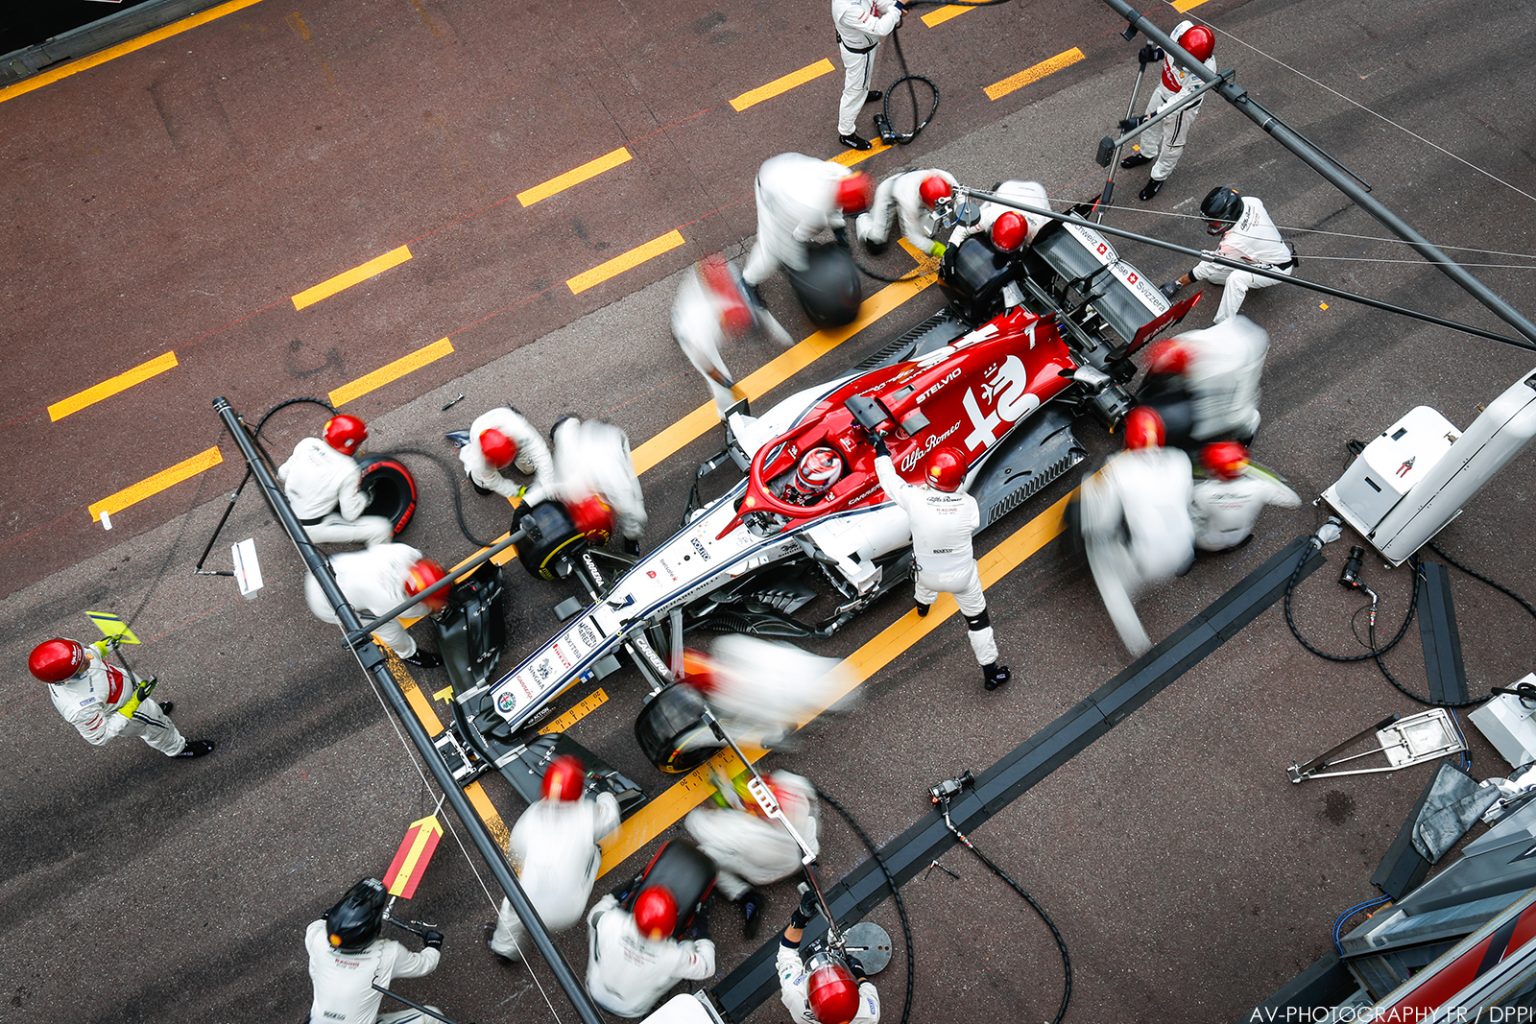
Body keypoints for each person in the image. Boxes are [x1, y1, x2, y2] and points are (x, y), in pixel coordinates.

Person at [872, 441, 1010, 690]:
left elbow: (889, 480)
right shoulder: (968, 506)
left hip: (927, 573)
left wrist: (881, 451)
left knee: (923, 582)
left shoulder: (914, 499)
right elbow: (971, 523)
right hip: (962, 579)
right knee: (978, 622)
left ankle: (922, 607)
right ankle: (991, 674)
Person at [1077, 408, 1195, 656]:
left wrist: (1091, 516)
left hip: (1147, 561)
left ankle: (1136, 640)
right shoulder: (1179, 459)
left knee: (1101, 550)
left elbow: (1104, 521)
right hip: (1184, 549)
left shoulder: (1120, 469)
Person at [487, 755, 621, 961]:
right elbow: (611, 819)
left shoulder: (530, 818)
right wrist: (605, 795)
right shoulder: (587, 815)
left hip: (528, 905)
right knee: (593, 853)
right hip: (568, 911)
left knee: (510, 905)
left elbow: (517, 852)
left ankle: (505, 949)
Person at [684, 770, 819, 938]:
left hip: (765, 871)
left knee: (705, 855)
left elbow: (695, 821)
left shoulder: (745, 831)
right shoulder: (792, 788)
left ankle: (746, 896)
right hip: (799, 855)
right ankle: (810, 865)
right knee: (810, 821)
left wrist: (724, 800)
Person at [29, 637, 214, 759]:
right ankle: (178, 749)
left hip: (127, 695)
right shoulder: (79, 708)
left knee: (154, 716)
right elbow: (100, 737)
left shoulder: (69, 656)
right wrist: (135, 703)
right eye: (81, 664)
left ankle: (153, 715)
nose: (88, 658)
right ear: (66, 678)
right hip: (130, 713)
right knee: (158, 728)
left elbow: (89, 654)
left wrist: (102, 646)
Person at [304, 877, 445, 1024]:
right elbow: (424, 965)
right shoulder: (388, 954)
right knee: (433, 1016)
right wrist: (433, 945)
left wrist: (336, 915)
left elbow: (324, 919)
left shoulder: (316, 936)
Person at [671, 256, 794, 416]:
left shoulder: (733, 298)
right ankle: (726, 414)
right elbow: (710, 369)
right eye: (737, 331)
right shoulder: (698, 334)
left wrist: (783, 337)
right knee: (721, 383)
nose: (739, 335)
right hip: (686, 332)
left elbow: (758, 312)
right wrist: (727, 383)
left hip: (699, 297)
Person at [742, 154, 873, 301]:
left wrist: (839, 231)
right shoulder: (813, 212)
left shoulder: (844, 175)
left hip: (788, 169)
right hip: (770, 189)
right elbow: (794, 239)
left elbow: (834, 206)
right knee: (773, 251)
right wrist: (800, 266)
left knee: (813, 221)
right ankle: (747, 282)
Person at [679, 635, 850, 747]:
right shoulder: (732, 650)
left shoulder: (747, 703)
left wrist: (696, 740)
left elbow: (738, 731)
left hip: (763, 697)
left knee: (769, 726)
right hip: (762, 689)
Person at [304, 544, 448, 668]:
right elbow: (418, 610)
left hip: (329, 569)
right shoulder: (391, 599)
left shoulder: (404, 552)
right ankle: (409, 653)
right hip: (326, 603)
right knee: (388, 627)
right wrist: (436, 607)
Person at [1161, 187, 1295, 321]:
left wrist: (1177, 283)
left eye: (1214, 222)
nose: (1212, 226)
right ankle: (1246, 263)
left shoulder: (1234, 243)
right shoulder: (1251, 201)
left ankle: (1223, 324)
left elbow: (1209, 265)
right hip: (1255, 253)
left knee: (1236, 279)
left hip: (1277, 267)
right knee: (1213, 277)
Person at [1118, 21, 1217, 201]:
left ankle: (1158, 177)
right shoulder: (1181, 29)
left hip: (1181, 109)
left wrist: (1142, 120)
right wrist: (1155, 54)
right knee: (1149, 128)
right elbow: (1165, 46)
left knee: (1171, 147)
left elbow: (1175, 105)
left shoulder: (1203, 75)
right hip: (1163, 88)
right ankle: (1147, 153)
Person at [585, 884, 716, 1018]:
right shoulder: (672, 957)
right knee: (689, 948)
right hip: (632, 1009)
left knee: (597, 924)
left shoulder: (613, 923)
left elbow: (594, 915)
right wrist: (702, 930)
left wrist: (625, 888)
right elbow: (707, 967)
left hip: (595, 989)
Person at [1140, 316, 1270, 444]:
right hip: (1231, 333)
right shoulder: (1181, 342)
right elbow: (1157, 370)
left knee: (1236, 414)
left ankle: (1249, 429)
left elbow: (1206, 411)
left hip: (1248, 355)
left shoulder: (1210, 374)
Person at [279, 414, 394, 548]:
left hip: (285, 513)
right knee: (382, 528)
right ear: (350, 444)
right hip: (310, 529)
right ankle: (380, 563)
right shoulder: (348, 469)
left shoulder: (308, 443)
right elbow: (350, 514)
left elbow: (282, 474)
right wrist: (366, 495)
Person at [777, 890, 880, 1024]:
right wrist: (858, 972)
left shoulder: (794, 992)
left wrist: (800, 917)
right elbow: (867, 988)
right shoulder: (869, 1015)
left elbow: (786, 952)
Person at [550, 416, 647, 554]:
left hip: (613, 441)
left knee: (632, 506)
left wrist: (632, 535)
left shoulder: (619, 487)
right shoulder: (569, 477)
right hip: (587, 437)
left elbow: (635, 514)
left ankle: (630, 540)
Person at [1190, 441, 1302, 552]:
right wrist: (1252, 472)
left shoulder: (1202, 492)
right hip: (1240, 536)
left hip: (1209, 541)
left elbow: (1193, 518)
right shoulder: (1260, 487)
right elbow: (1293, 500)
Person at [832, 0, 903, 150]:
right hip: (859, 54)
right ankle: (846, 134)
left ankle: (863, 93)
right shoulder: (846, 9)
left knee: (862, 82)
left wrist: (892, 7)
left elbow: (877, 2)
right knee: (854, 92)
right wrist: (896, 9)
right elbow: (880, 28)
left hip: (864, 46)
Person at [458, 406, 555, 503]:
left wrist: (546, 486)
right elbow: (493, 481)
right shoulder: (479, 460)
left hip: (505, 417)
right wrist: (518, 492)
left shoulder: (519, 430)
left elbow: (541, 454)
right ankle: (467, 445)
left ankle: (513, 412)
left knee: (529, 469)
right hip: (478, 428)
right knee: (482, 489)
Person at [856, 169, 958, 257]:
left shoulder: (944, 177)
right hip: (889, 192)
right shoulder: (909, 201)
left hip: (909, 183)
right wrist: (936, 248)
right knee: (875, 244)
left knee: (928, 233)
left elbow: (961, 194)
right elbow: (912, 236)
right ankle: (862, 217)